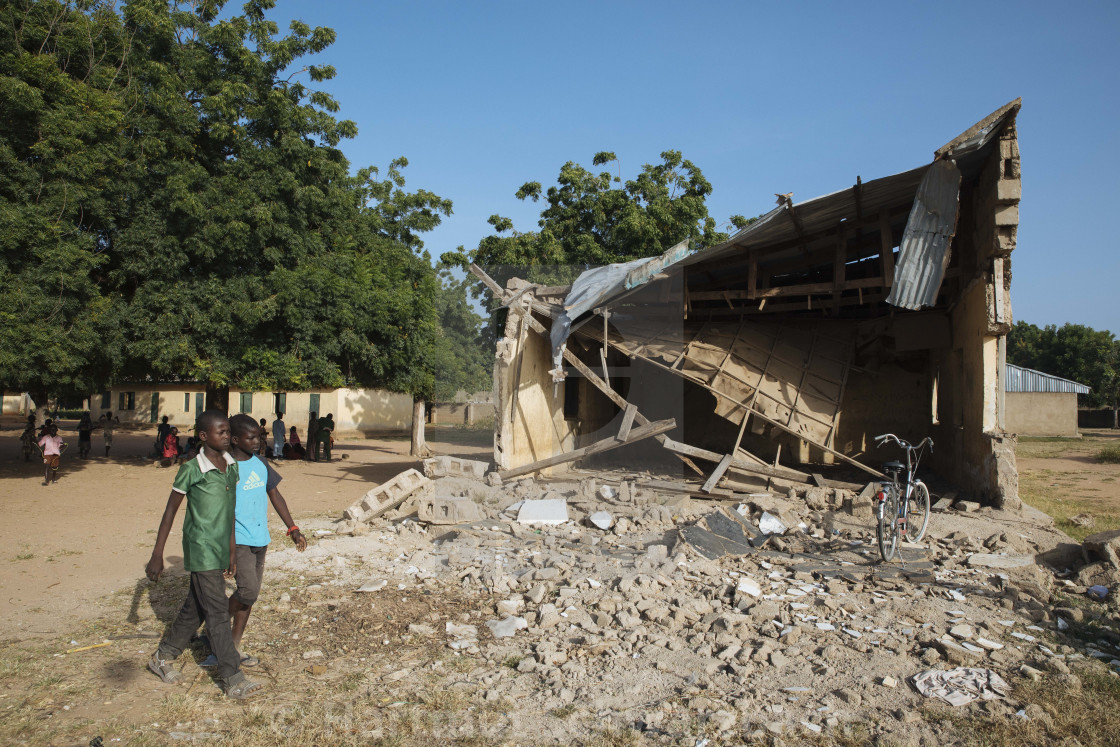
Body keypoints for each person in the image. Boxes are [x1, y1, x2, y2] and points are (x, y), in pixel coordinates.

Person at [144, 410, 262, 699]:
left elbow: (230, 512)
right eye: (220, 432)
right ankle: (232, 676)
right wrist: (157, 554)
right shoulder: (191, 469)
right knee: (218, 611)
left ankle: (162, 656)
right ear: (203, 436)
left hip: (221, 549)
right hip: (200, 548)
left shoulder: (231, 467)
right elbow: (170, 511)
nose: (226, 436)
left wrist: (232, 552)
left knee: (195, 607)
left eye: (227, 432)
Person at [199, 415, 305, 668]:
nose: (258, 441)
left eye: (259, 436)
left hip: (260, 539)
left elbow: (275, 494)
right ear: (235, 440)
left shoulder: (261, 463)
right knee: (248, 591)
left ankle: (233, 646)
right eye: (251, 438)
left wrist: (293, 528)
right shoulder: (225, 467)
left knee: (250, 596)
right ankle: (216, 632)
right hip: (238, 541)